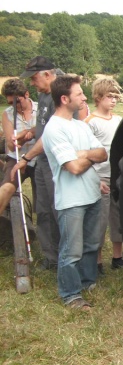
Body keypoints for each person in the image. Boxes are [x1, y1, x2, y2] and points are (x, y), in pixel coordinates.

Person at [12, 56, 89, 270]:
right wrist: (28, 133)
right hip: (42, 161)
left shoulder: (62, 95)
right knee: (43, 209)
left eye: (34, 78)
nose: (32, 84)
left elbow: (51, 136)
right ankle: (51, 257)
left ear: (48, 74)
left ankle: (69, 259)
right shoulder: (44, 94)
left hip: (58, 161)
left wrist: (26, 158)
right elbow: (43, 128)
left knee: (60, 210)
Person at [41, 74, 107, 309]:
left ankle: (88, 282)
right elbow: (75, 167)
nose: (84, 97)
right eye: (79, 94)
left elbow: (103, 154)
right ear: (64, 98)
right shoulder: (54, 129)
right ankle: (70, 294)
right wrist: (88, 154)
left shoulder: (80, 125)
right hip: (71, 200)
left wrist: (83, 153)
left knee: (91, 245)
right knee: (71, 250)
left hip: (92, 194)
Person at [84, 77, 123, 274]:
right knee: (99, 221)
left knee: (118, 219)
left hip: (117, 177)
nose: (113, 101)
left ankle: (117, 257)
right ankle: (97, 260)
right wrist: (95, 179)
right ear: (98, 97)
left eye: (115, 97)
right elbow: (85, 153)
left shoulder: (119, 120)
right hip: (99, 178)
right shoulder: (89, 123)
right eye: (109, 97)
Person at [0, 79, 37, 217]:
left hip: (39, 158)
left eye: (18, 102)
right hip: (16, 157)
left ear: (26, 94)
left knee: (44, 203)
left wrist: (31, 132)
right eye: (11, 103)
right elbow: (10, 144)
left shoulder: (40, 109)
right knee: (7, 187)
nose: (15, 106)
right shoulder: (7, 114)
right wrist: (21, 138)